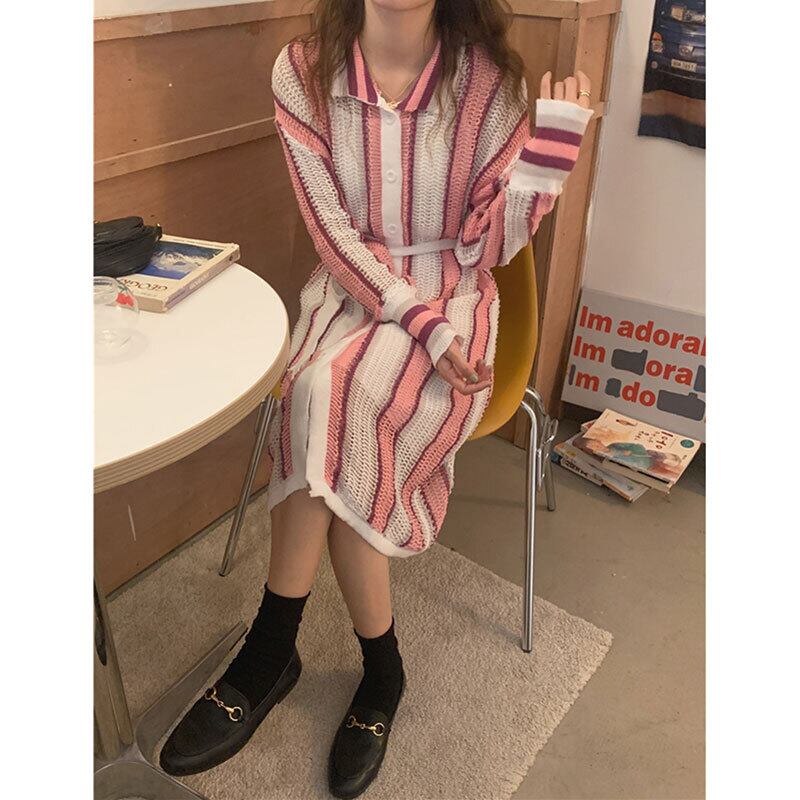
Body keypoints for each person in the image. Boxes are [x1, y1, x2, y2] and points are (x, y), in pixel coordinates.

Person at [160, 1, 593, 796]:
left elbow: (488, 246)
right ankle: (369, 667)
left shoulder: (488, 84)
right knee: (321, 391)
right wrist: (410, 316)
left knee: (329, 400)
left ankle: (275, 653)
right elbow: (331, 232)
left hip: (455, 301)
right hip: (354, 289)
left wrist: (547, 161)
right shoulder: (301, 73)